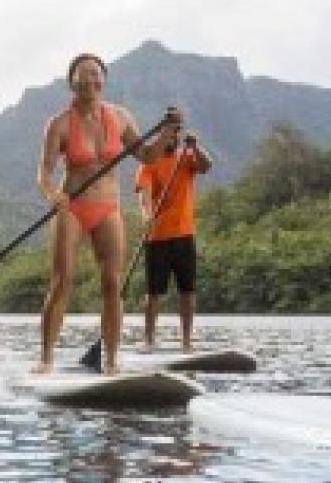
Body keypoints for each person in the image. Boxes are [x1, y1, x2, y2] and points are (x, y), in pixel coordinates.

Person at [36, 52, 182, 374]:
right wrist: (53, 194)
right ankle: (46, 359)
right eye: (83, 74)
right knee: (62, 281)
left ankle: (112, 361)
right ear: (71, 82)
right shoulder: (59, 124)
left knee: (113, 284)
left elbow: (146, 156)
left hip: (108, 207)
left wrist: (167, 135)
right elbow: (44, 172)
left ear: (104, 80)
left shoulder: (122, 117)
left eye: (96, 74)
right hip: (72, 207)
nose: (90, 79)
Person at [135, 126, 212, 352]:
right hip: (157, 236)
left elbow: (207, 166)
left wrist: (196, 147)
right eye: (168, 135)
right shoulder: (148, 164)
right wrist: (148, 217)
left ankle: (186, 342)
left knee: (188, 291)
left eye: (174, 136)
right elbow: (144, 197)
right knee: (153, 292)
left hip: (185, 234)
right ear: (161, 138)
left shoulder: (187, 158)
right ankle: (149, 340)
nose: (172, 139)